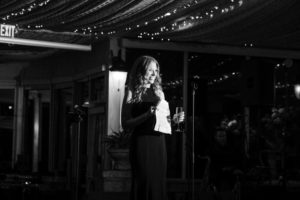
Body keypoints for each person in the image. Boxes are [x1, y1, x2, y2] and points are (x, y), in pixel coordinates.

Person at [121, 55, 184, 200]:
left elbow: (164, 123)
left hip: (158, 143)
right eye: (150, 70)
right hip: (141, 143)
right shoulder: (131, 91)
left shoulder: (159, 92)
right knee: (144, 181)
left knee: (157, 183)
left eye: (156, 71)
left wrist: (174, 121)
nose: (154, 74)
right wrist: (146, 115)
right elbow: (125, 124)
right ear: (141, 71)